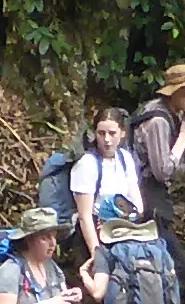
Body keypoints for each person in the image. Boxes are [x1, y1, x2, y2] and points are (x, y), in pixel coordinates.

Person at [137, 63, 185, 304]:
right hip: (147, 197)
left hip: (154, 197)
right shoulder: (158, 120)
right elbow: (163, 171)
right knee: (174, 264)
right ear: (173, 93)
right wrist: (184, 137)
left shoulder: (173, 114)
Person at [60, 93, 149, 266]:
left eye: (112, 133)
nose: (107, 140)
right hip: (93, 232)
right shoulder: (87, 164)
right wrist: (96, 255)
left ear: (122, 133)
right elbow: (85, 216)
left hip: (122, 228)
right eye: (101, 133)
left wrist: (134, 224)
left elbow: (136, 201)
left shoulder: (125, 158)